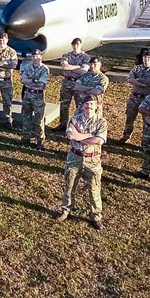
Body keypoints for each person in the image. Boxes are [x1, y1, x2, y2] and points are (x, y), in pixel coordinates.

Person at [55, 94, 108, 229]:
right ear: (82, 106)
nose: (88, 106)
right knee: (69, 184)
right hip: (75, 157)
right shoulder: (75, 119)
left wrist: (80, 138)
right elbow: (70, 135)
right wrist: (90, 135)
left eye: (91, 104)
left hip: (93, 159)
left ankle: (96, 215)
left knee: (94, 188)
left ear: (96, 106)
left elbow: (99, 140)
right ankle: (66, 210)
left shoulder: (102, 122)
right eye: (86, 104)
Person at [119, 49, 150, 143]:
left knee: (147, 120)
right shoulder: (136, 68)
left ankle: (146, 140)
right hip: (134, 97)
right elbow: (130, 79)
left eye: (148, 58)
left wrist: (138, 80)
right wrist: (144, 83)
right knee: (130, 118)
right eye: (145, 57)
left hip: (148, 99)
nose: (146, 59)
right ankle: (126, 136)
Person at [55, 38, 90, 129]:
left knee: (80, 105)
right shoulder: (66, 55)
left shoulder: (85, 57)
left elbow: (84, 70)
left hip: (79, 83)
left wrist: (72, 68)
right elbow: (64, 67)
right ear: (72, 45)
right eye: (74, 44)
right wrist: (78, 66)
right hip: (67, 82)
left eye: (77, 44)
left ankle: (78, 125)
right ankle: (63, 124)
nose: (76, 46)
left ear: (80, 45)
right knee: (64, 104)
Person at [19, 50, 50, 148]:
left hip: (38, 96)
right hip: (27, 94)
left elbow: (41, 84)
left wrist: (30, 81)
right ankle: (26, 137)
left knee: (38, 119)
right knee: (26, 116)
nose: (35, 58)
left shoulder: (44, 69)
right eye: (33, 56)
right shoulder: (27, 67)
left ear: (41, 57)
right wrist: (33, 81)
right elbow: (22, 80)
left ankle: (40, 140)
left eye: (37, 56)